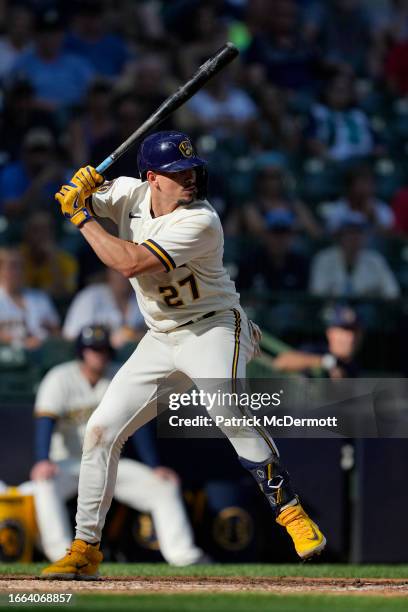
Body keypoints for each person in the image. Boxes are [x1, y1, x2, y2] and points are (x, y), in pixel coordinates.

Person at [41, 130, 326, 580]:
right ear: (152, 178)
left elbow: (129, 262)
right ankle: (85, 547)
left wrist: (81, 217)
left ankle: (291, 513)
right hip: (160, 336)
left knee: (227, 410)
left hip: (213, 326)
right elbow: (75, 197)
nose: (189, 179)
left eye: (193, 171)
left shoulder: (201, 220)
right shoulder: (127, 193)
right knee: (99, 431)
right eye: (178, 173)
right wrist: (79, 187)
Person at [31, 325, 206, 566]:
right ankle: (61, 555)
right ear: (82, 351)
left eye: (102, 349)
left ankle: (184, 556)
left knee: (162, 486)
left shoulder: (119, 375)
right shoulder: (60, 377)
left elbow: (140, 426)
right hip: (69, 465)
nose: (98, 355)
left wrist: (154, 466)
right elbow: (45, 423)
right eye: (93, 349)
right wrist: (42, 460)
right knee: (44, 483)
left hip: (111, 462)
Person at [309, 211, 400, 299]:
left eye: (359, 233)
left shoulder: (376, 260)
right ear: (340, 235)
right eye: (350, 233)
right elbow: (317, 292)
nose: (355, 237)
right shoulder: (323, 258)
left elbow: (392, 293)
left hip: (368, 310)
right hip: (331, 310)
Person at [273, 304, 362, 378]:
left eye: (354, 331)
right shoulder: (316, 350)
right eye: (344, 331)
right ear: (330, 333)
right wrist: (326, 362)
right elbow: (281, 362)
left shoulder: (355, 364)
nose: (351, 337)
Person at [63, 268, 145, 348]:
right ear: (109, 273)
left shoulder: (143, 297)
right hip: (96, 356)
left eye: (128, 271)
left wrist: (134, 335)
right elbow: (70, 336)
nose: (124, 276)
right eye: (118, 272)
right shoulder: (90, 296)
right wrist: (107, 338)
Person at [0, 247, 60, 349]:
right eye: (12, 266)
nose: (18, 271)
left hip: (43, 353)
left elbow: (56, 331)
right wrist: (22, 342)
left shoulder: (40, 297)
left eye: (21, 266)